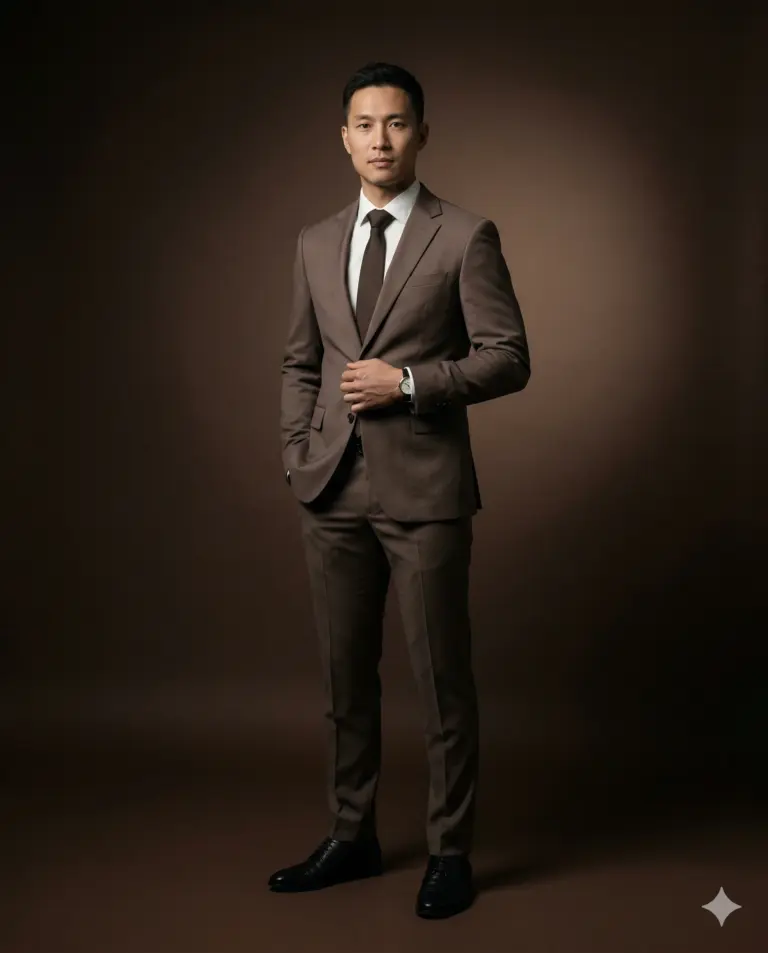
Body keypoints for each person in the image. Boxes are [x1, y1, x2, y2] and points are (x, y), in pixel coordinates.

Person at [271, 61, 531, 919]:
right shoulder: (314, 241)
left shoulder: (466, 235)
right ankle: (352, 835)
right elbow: (300, 361)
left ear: (421, 133)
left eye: (395, 123)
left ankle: (450, 850)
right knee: (345, 681)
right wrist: (297, 453)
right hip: (330, 489)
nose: (379, 140)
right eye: (364, 124)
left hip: (425, 491)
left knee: (441, 681)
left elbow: (508, 357)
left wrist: (410, 383)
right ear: (343, 138)